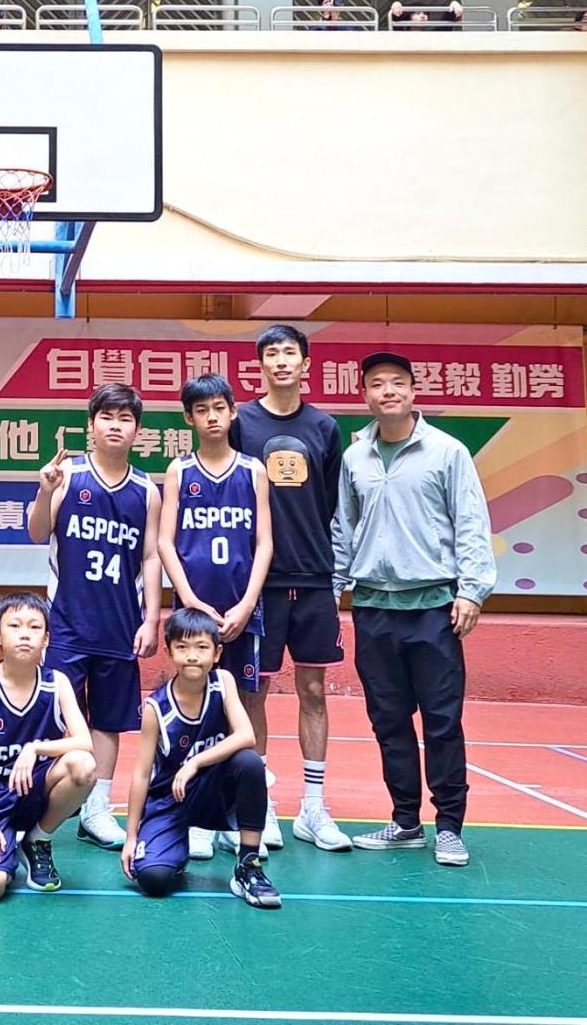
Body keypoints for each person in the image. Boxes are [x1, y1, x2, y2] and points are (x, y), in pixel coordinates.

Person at [334, 352, 496, 867]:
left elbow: (471, 522)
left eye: (397, 383)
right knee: (389, 721)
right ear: (364, 394)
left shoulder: (447, 452)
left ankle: (449, 827)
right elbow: (343, 528)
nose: (388, 391)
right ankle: (405, 821)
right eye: (377, 384)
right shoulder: (355, 457)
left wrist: (472, 591)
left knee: (442, 721)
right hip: (373, 609)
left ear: (412, 391)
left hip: (434, 609)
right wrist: (334, 588)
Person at [231, 324, 351, 853]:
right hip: (261, 582)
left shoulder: (325, 427)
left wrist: (334, 570)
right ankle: (260, 804)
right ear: (260, 365)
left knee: (314, 690)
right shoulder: (241, 423)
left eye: (290, 353)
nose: (281, 361)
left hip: (314, 576)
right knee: (254, 691)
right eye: (272, 354)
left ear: (306, 364)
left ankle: (313, 807)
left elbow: (330, 504)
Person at [28, 383, 163, 851]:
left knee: (108, 720)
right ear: (91, 425)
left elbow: (151, 556)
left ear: (137, 430)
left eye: (125, 419)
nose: (115, 426)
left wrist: (151, 618)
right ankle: (40, 798)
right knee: (55, 713)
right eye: (107, 417)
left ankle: (96, 808)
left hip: (120, 623)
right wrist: (44, 491)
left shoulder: (145, 490)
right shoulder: (68, 475)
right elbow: (37, 532)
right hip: (67, 622)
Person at [158, 372, 271, 859]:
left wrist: (247, 602)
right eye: (201, 410)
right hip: (194, 615)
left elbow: (264, 543)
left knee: (247, 701)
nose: (211, 418)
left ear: (232, 412)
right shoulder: (179, 470)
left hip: (242, 610)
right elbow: (165, 542)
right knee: (194, 702)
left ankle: (249, 805)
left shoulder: (253, 471)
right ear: (189, 418)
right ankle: (199, 809)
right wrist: (189, 599)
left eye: (219, 408)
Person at [122, 609, 281, 908]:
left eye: (202, 647)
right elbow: (141, 774)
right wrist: (131, 836)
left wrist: (195, 762)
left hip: (213, 790)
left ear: (217, 653)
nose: (192, 656)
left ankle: (248, 864)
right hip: (170, 798)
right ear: (169, 652)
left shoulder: (223, 682)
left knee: (250, 762)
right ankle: (174, 849)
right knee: (153, 879)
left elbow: (246, 735)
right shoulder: (156, 708)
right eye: (182, 647)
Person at [0, 592, 96, 898]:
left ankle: (37, 839)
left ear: (46, 639)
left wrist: (34, 749)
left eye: (34, 627)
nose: (24, 634)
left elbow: (84, 741)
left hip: (36, 788)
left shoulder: (56, 682)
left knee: (83, 765)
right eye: (15, 626)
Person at [389, 0, 463, 30]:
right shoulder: (400, 35)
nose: (423, 16)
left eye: (425, 13)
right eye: (417, 13)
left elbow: (446, 25)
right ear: (409, 16)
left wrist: (454, 5)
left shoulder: (433, 36)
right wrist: (396, 5)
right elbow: (396, 18)